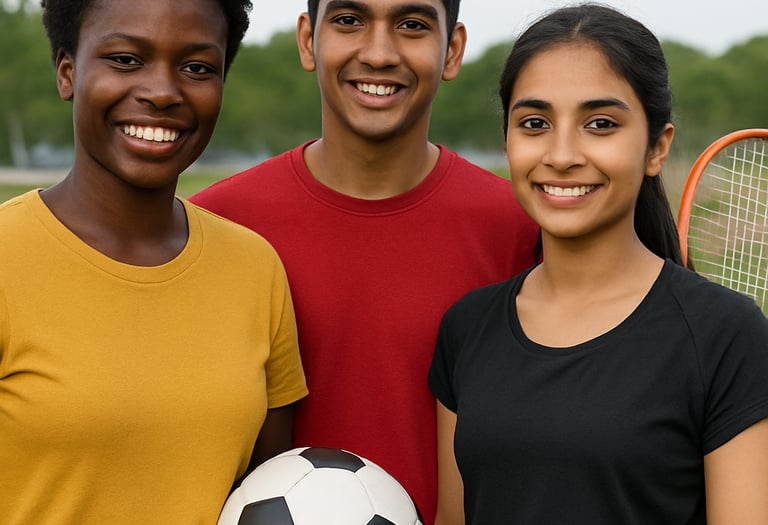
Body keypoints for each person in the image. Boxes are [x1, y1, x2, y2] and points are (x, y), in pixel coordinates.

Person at [190, 0, 540, 522]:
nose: (378, 53)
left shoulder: (520, 229)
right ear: (308, 40)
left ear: (453, 50)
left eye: (412, 24)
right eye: (349, 20)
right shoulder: (215, 224)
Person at [428, 4, 768, 524]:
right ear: (508, 141)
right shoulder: (466, 328)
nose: (562, 154)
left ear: (657, 148)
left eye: (600, 124)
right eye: (535, 123)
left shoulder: (727, 334)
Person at [0, 1, 308, 523]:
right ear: (67, 71)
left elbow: (270, 494)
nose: (163, 92)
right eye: (124, 59)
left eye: (197, 68)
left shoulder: (255, 268)